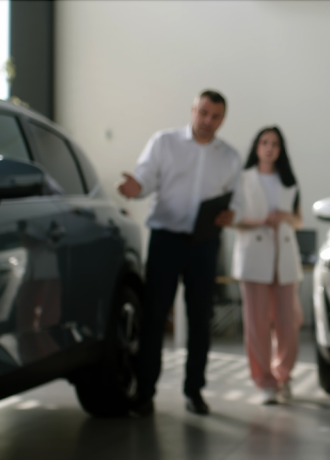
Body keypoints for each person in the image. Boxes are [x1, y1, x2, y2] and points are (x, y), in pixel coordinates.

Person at [117, 90, 241, 416]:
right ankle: (145, 392)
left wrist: (233, 215)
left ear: (222, 119)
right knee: (155, 315)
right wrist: (135, 188)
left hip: (204, 244)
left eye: (215, 116)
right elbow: (144, 178)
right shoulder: (164, 142)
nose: (207, 121)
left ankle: (194, 390)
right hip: (166, 240)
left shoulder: (229, 158)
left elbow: (237, 202)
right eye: (203, 113)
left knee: (201, 318)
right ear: (193, 110)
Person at [232, 126, 303, 405]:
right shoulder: (242, 179)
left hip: (284, 258)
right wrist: (259, 221)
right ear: (256, 146)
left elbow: (299, 221)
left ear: (281, 148)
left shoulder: (289, 181)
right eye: (264, 142)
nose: (269, 147)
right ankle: (264, 381)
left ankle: (283, 375)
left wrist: (284, 216)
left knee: (289, 322)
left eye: (274, 143)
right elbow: (233, 218)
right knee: (256, 324)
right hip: (253, 258)